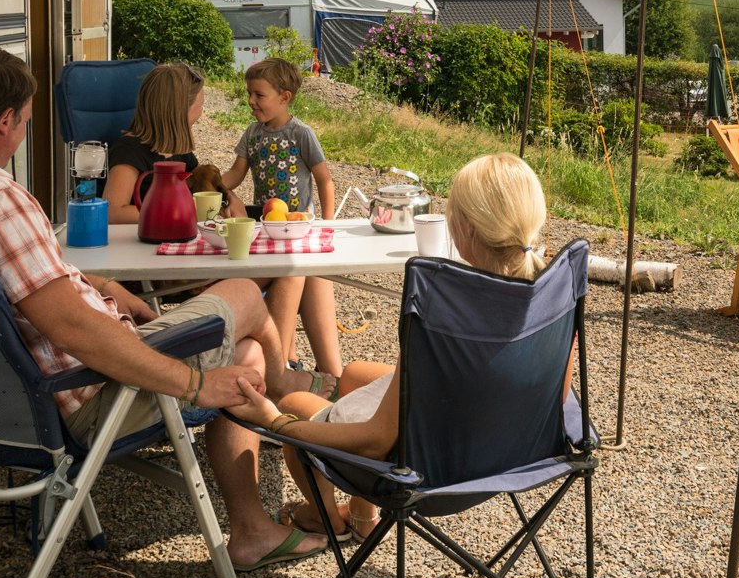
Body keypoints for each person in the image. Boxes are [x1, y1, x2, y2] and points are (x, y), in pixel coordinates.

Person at [0, 46, 322, 572]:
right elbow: (71, 326)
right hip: (88, 393)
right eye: (24, 120)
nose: (23, 130)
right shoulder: (2, 199)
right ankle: (282, 407)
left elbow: (27, 282)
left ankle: (259, 498)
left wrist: (105, 287)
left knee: (246, 348)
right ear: (4, 120)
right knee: (246, 298)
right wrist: (191, 384)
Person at [233, 152, 554, 542]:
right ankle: (361, 516)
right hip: (509, 446)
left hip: (433, 468)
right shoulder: (552, 293)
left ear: (464, 230)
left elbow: (376, 440)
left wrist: (276, 422)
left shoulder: (443, 310)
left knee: (296, 405)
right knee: (352, 375)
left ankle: (327, 519)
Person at [223, 56, 346, 382]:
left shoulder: (301, 133)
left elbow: (324, 179)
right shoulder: (252, 134)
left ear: (284, 97)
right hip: (266, 225)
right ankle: (287, 359)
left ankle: (288, 358)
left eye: (258, 95)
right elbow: (236, 174)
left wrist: (327, 222)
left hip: (299, 224)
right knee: (284, 281)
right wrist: (209, 184)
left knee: (294, 277)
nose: (251, 101)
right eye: (249, 93)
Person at [101, 59, 204, 223]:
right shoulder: (130, 151)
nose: (201, 112)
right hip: (138, 243)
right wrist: (176, 212)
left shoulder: (177, 149)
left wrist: (229, 198)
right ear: (179, 112)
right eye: (200, 105)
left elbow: (202, 182)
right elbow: (112, 211)